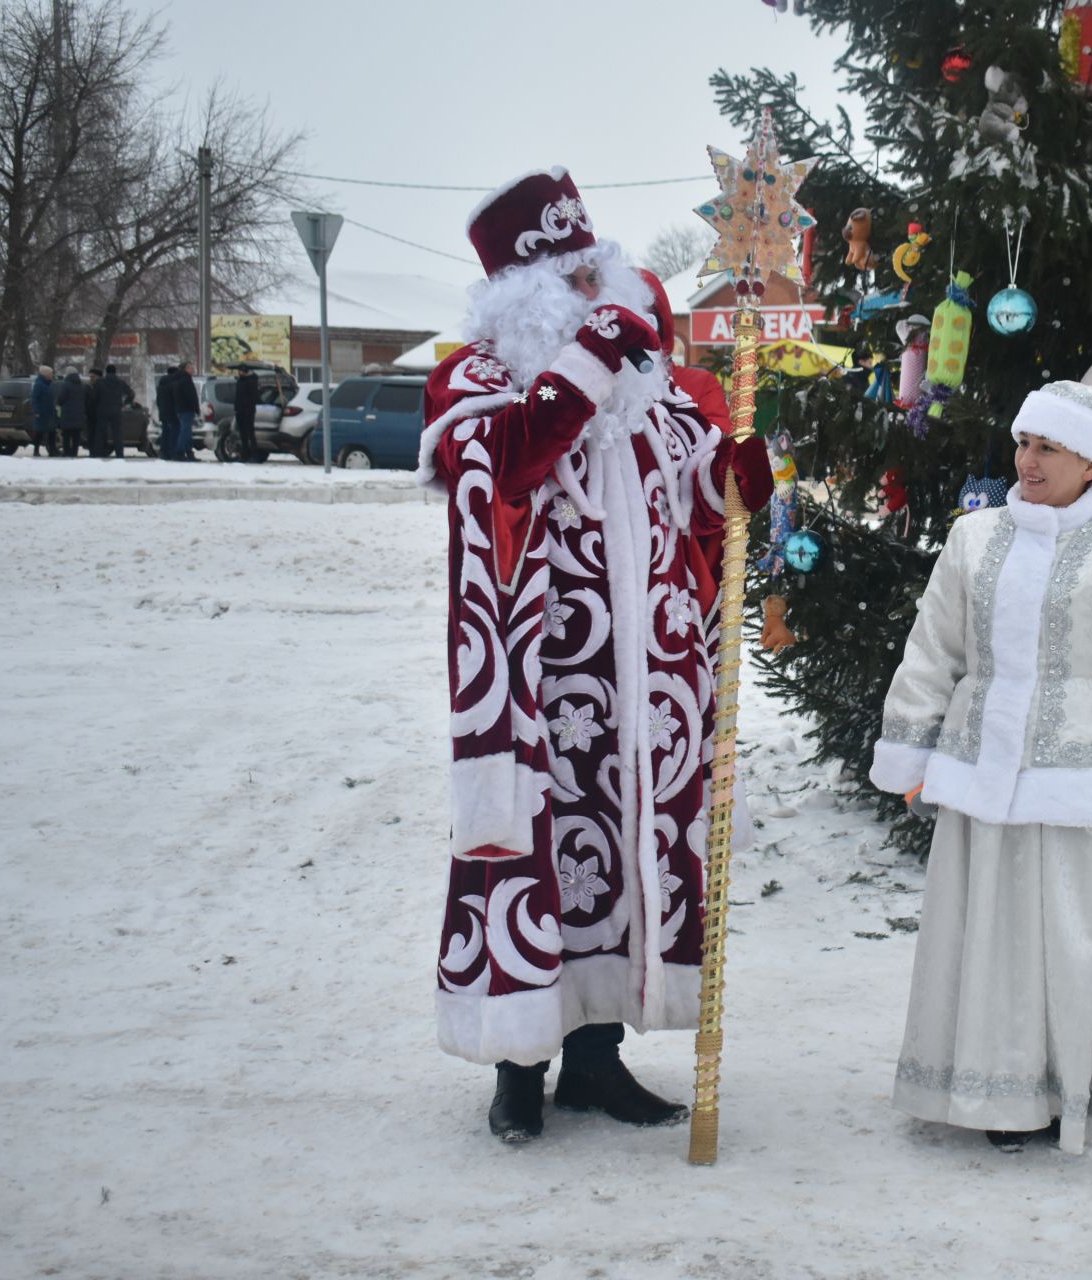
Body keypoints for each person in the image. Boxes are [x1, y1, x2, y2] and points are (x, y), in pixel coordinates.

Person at [420, 166, 772, 1144]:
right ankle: (517, 1067)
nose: (591, 298)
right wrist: (600, 350)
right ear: (519, 298)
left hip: (649, 682)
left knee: (624, 860)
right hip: (541, 687)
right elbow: (510, 462)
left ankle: (595, 1058)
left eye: (596, 277)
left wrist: (739, 473)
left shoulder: (648, 394)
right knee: (536, 862)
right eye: (570, 284)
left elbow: (703, 505)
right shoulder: (477, 380)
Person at [869, 380, 1092, 1155]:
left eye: (1047, 448)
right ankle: (984, 1091)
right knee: (980, 936)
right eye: (1024, 443)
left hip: (1075, 786)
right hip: (976, 774)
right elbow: (933, 650)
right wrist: (912, 747)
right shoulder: (974, 539)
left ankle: (1060, 1092)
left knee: (1066, 945)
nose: (1027, 461)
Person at [96, 364, 130, 458]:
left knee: (101, 433)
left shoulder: (100, 382)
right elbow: (131, 394)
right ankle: (119, 454)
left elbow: (95, 396)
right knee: (117, 434)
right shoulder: (120, 382)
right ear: (115, 372)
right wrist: (124, 403)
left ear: (106, 372)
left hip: (102, 410)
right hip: (116, 410)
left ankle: (99, 453)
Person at [54, 367, 86, 457]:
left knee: (67, 435)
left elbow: (61, 398)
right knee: (76, 436)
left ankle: (67, 452)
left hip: (67, 414)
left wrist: (58, 403)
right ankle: (74, 452)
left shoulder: (66, 385)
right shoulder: (81, 385)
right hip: (79, 414)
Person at [232, 366, 259, 463]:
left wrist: (247, 405)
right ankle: (245, 454)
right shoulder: (240, 381)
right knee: (243, 434)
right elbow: (237, 396)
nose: (239, 373)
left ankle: (254, 455)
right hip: (239, 410)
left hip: (248, 410)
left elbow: (254, 396)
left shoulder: (251, 381)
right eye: (239, 371)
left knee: (250, 433)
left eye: (241, 371)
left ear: (245, 372)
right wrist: (237, 408)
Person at [29, 365, 56, 456]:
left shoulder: (48, 384)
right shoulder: (39, 384)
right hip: (41, 413)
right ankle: (36, 451)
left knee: (52, 432)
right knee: (39, 432)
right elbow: (34, 399)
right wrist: (36, 411)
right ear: (46, 374)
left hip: (49, 412)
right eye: (51, 373)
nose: (52, 375)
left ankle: (52, 450)